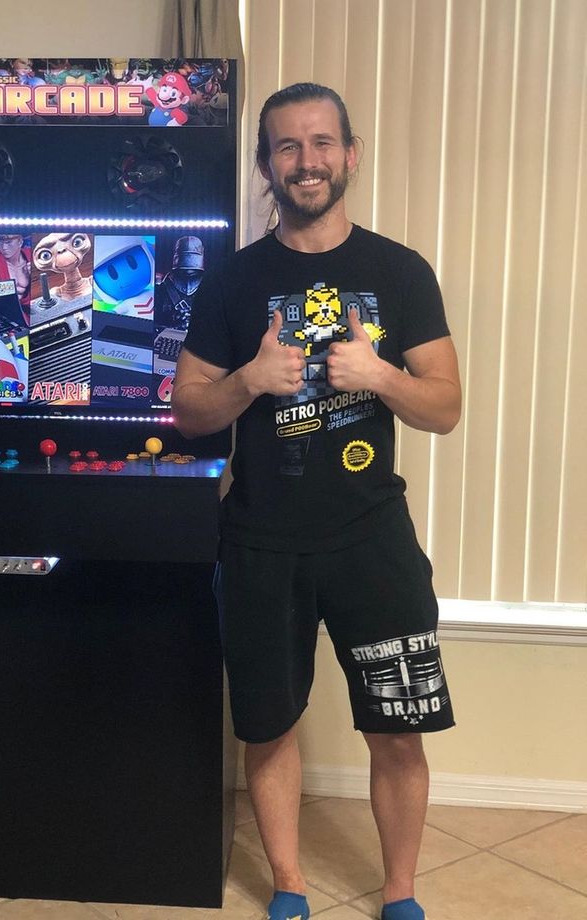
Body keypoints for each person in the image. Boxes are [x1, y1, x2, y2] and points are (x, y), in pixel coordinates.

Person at [172, 83, 461, 920]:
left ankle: (400, 892)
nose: (308, 161)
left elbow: (444, 407)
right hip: (260, 540)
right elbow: (189, 411)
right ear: (267, 163)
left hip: (373, 537)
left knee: (396, 728)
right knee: (267, 725)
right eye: (289, 147)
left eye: (323, 142)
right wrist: (248, 380)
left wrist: (378, 374)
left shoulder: (400, 271)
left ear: (351, 154)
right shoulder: (232, 283)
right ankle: (290, 887)